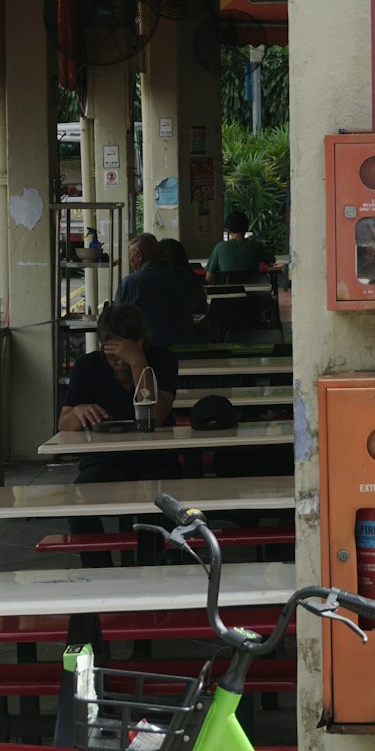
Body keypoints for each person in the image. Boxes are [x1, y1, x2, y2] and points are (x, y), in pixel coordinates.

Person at [60, 302, 179, 567]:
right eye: (112, 355)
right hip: (106, 460)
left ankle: (153, 564)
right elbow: (64, 423)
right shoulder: (88, 366)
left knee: (164, 499)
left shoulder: (162, 360)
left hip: (156, 460)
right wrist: (79, 411)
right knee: (77, 501)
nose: (118, 363)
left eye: (124, 355)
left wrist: (138, 363)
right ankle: (100, 571)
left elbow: (154, 417)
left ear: (141, 344)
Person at [115, 232, 197, 347]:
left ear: (139, 255)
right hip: (186, 346)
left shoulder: (131, 282)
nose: (130, 260)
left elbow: (117, 321)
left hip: (151, 351)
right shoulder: (182, 276)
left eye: (130, 255)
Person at [205, 210, 276, 281]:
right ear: (247, 227)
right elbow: (272, 260)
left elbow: (209, 278)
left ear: (228, 230)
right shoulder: (257, 246)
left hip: (227, 291)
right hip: (253, 290)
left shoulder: (219, 248)